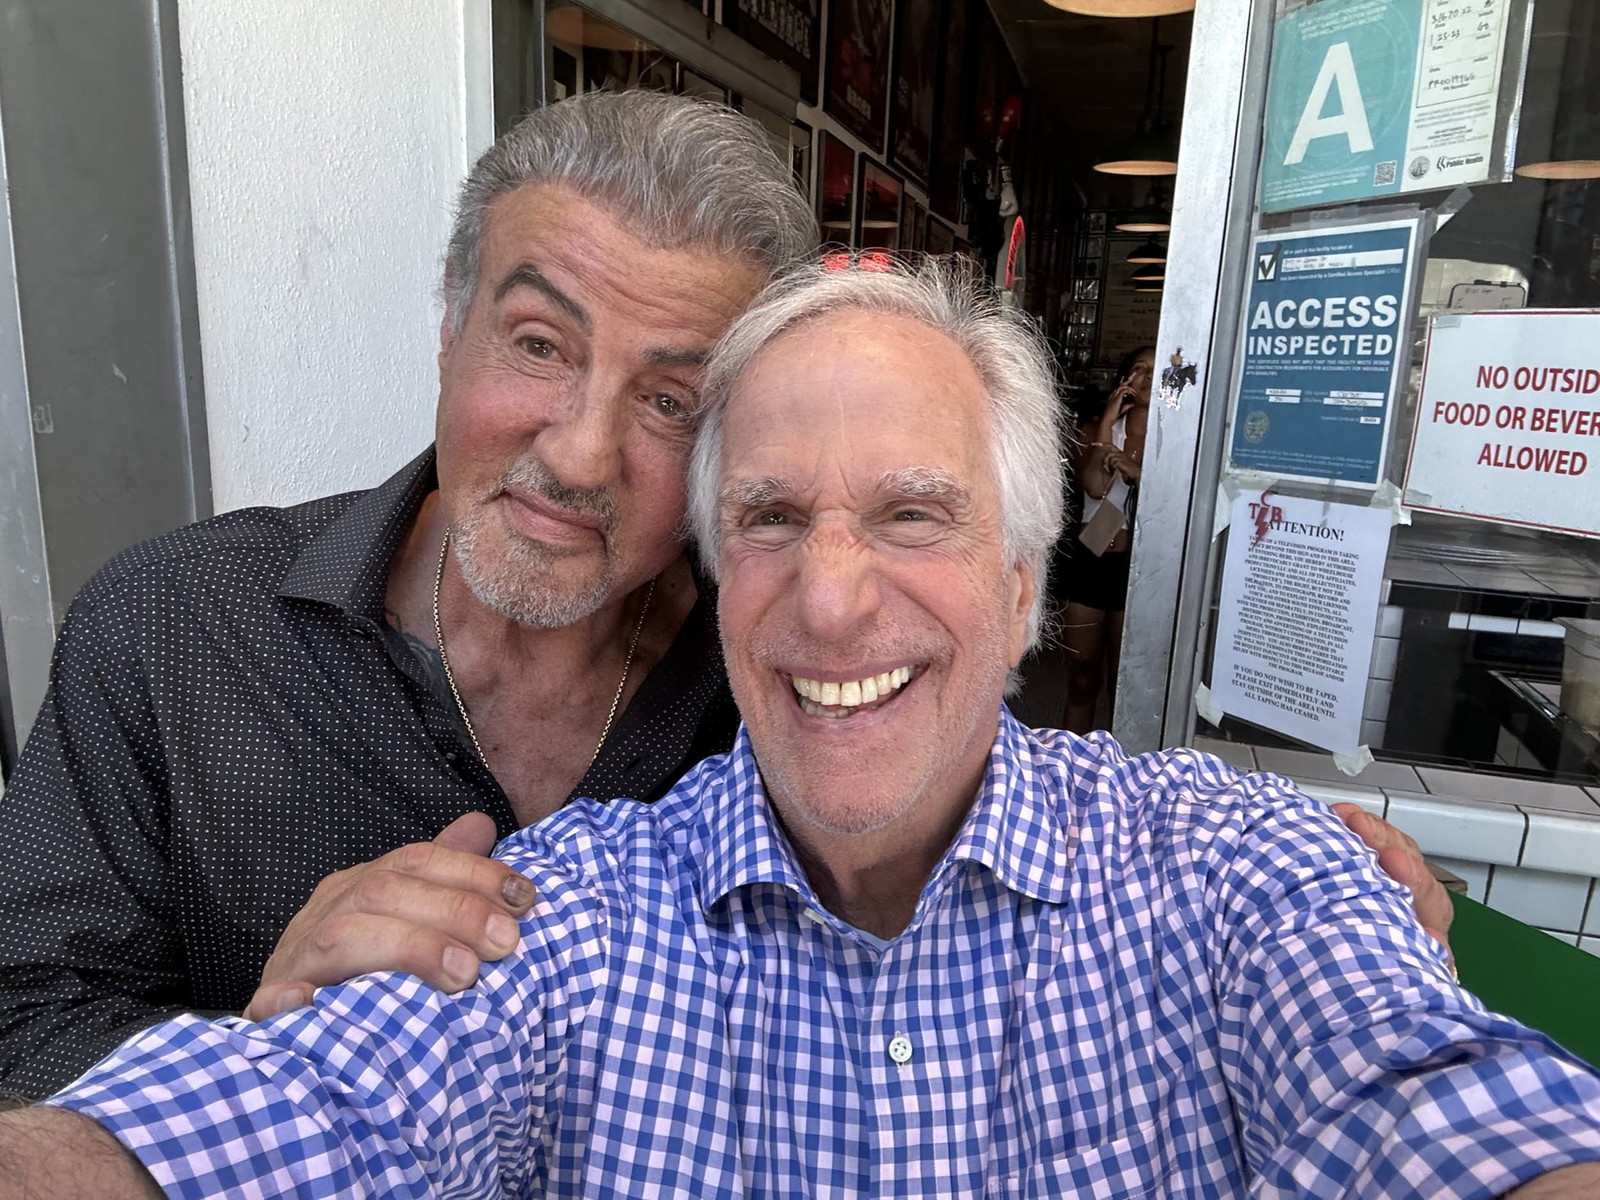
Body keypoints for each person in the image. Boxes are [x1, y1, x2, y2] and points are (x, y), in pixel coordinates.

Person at [5, 258, 1599, 1198]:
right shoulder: (568, 909)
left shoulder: (1244, 872)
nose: (832, 604)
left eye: (913, 515)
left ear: (1026, 582)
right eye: (770, 517)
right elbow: (285, 1127)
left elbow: (1441, 1113)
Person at [0, 91, 1447, 1102]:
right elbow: (21, 1026)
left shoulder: (791, 663)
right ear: (449, 332)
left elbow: (1006, 801)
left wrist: (1292, 875)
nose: (577, 451)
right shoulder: (173, 631)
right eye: (536, 342)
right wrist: (261, 1046)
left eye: (671, 398)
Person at [1060, 345, 1152, 733]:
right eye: (1138, 370)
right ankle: (1070, 764)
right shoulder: (1096, 431)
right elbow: (1094, 487)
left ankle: (1118, 773)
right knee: (1081, 676)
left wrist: (1138, 472)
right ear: (1123, 381)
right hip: (1090, 560)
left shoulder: (1178, 441)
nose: (1146, 378)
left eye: (1156, 369)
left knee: (1124, 683)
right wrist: (1106, 425)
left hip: (1139, 567)